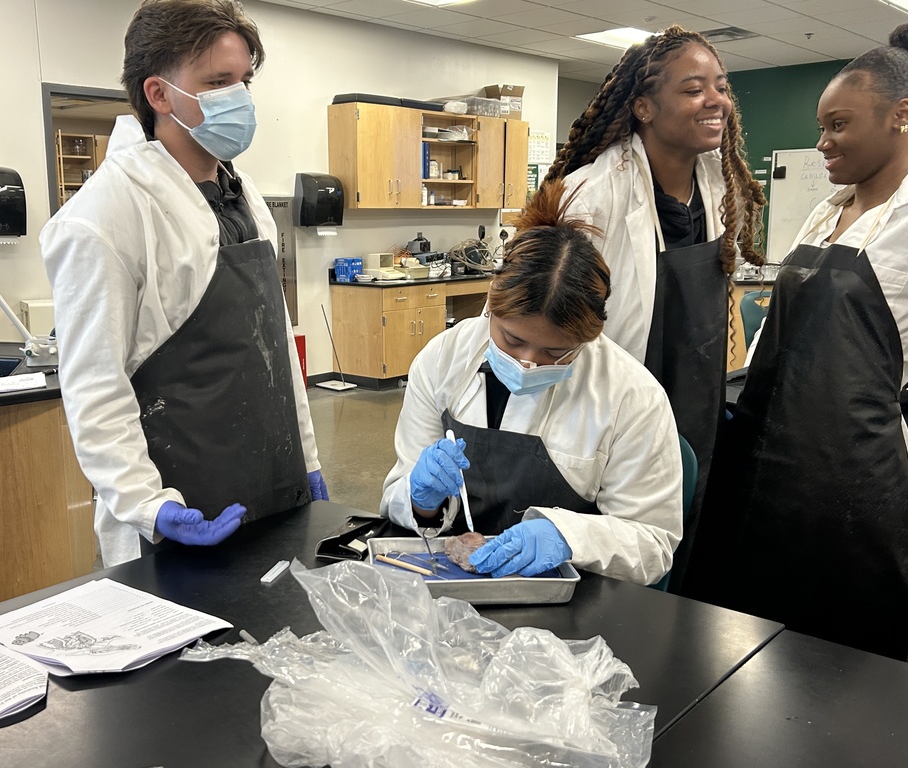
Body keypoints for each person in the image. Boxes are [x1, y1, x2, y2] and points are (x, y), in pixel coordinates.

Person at [41, 0, 327, 567]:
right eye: (218, 82)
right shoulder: (103, 217)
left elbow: (274, 349)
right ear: (159, 95)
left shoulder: (242, 198)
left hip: (273, 481)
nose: (239, 98)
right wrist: (148, 505)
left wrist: (308, 458)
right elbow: (95, 388)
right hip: (181, 508)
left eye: (243, 80)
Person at [686, 26, 908, 660]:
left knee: (843, 663)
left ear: (902, 117)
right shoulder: (825, 211)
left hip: (859, 482)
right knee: (744, 648)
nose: (823, 142)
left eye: (839, 125)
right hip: (767, 466)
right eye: (822, 125)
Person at [543, 26, 766, 590]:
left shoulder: (719, 183)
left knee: (688, 530)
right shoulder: (590, 194)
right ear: (643, 106)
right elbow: (552, 321)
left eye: (720, 85)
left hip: (695, 390)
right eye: (694, 89)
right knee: (621, 546)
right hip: (616, 396)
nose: (716, 99)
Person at [379, 184, 682, 585]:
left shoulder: (632, 397)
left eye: (556, 352)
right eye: (512, 340)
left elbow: (652, 544)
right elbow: (400, 494)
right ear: (492, 302)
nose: (528, 363)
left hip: (568, 604)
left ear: (590, 336)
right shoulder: (443, 359)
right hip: (451, 586)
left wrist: (569, 537)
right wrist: (423, 504)